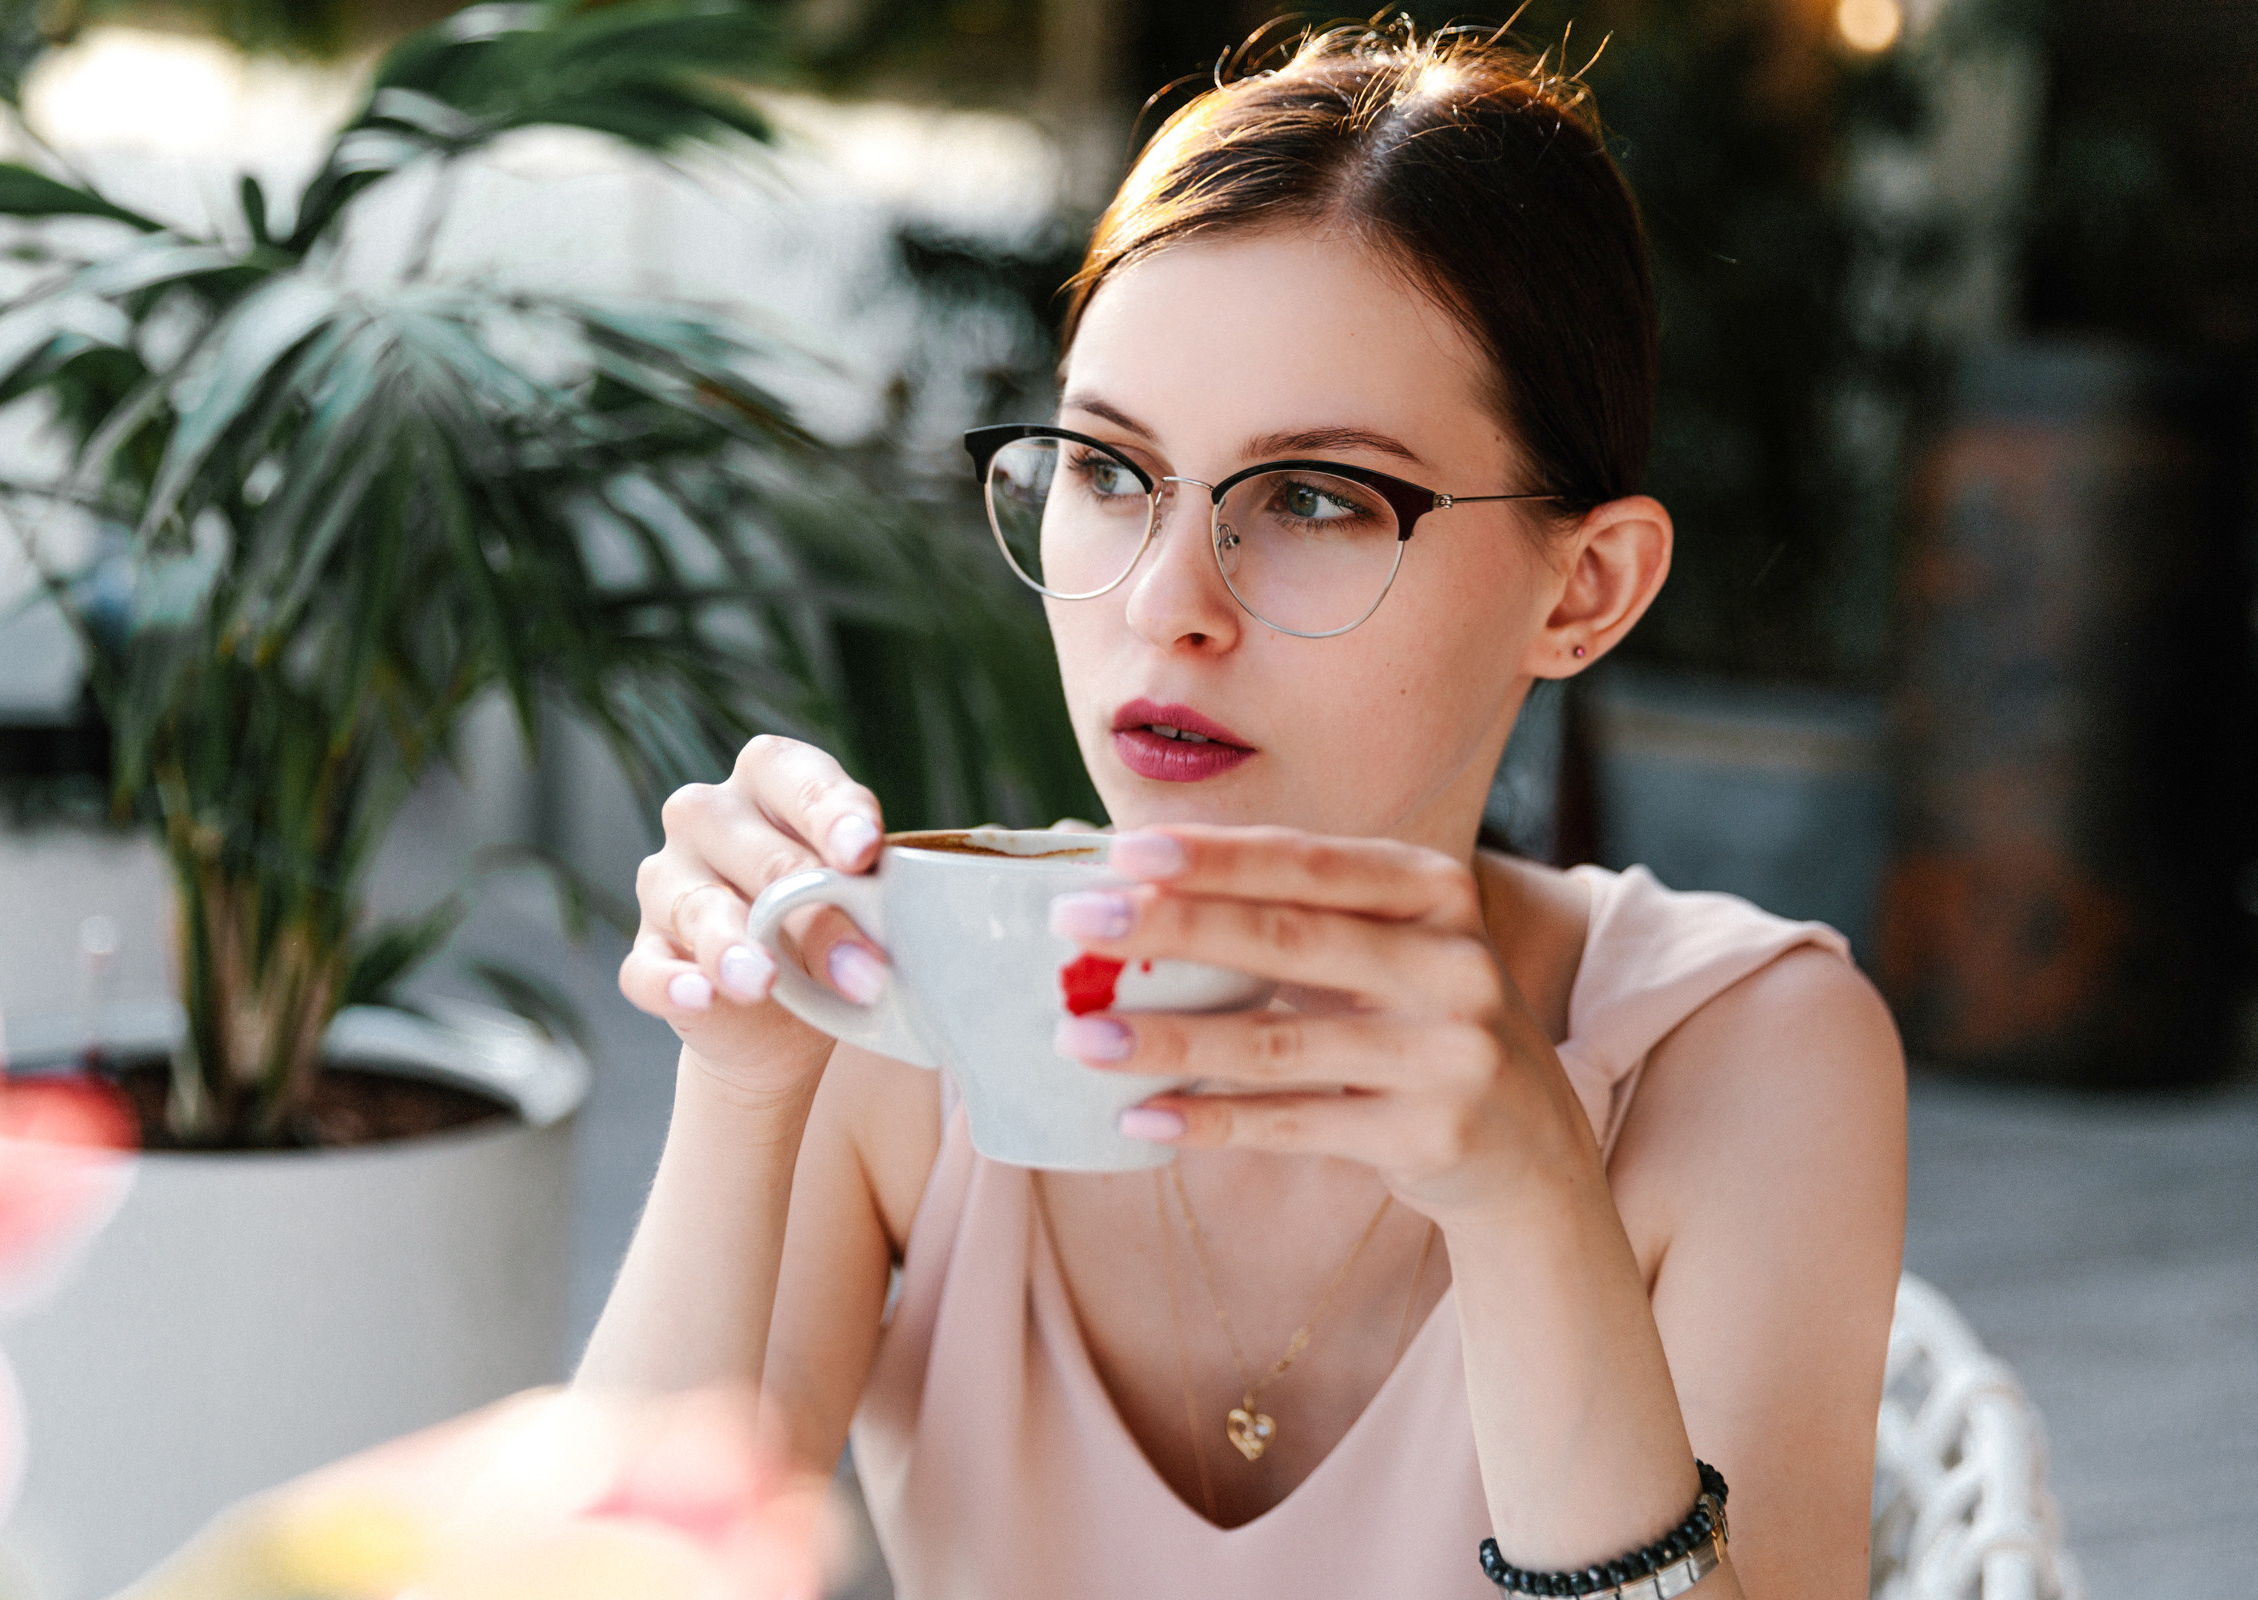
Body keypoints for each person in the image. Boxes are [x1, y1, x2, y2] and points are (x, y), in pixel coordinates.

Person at [579, 21, 1907, 1600]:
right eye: (1111, 470)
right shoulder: (910, 1009)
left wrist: (1527, 1196)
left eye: (1318, 499)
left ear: (1587, 588)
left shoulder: (1746, 1054)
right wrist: (740, 1087)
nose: (1165, 605)